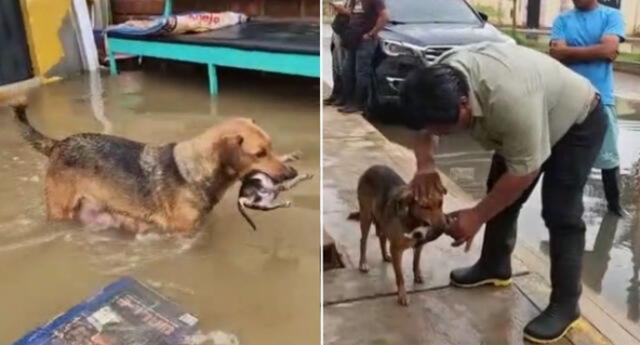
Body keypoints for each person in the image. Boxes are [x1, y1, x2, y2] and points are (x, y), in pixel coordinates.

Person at [401, 42, 607, 343]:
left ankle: (566, 305)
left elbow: (525, 171)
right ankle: (494, 265)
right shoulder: (437, 80)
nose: (442, 136)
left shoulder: (508, 101)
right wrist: (425, 164)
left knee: (561, 212)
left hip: (577, 122)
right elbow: (425, 128)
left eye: (446, 129)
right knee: (497, 190)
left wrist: (476, 216)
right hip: (526, 117)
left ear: (463, 104)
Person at [550, 0, 626, 216]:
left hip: (602, 98)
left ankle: (614, 206)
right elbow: (556, 54)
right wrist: (600, 51)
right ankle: (566, 209)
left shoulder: (612, 16)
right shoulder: (562, 19)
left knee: (608, 157)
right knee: (564, 157)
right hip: (567, 98)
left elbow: (610, 48)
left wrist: (569, 52)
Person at [335, 0, 388, 114]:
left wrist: (371, 34)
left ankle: (359, 104)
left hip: (366, 42)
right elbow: (354, 17)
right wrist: (343, 12)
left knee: (362, 73)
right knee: (347, 71)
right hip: (353, 40)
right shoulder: (355, 1)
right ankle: (349, 101)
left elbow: (384, 16)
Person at [324, 0, 353, 106]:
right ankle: (336, 94)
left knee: (343, 68)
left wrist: (344, 11)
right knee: (336, 67)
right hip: (337, 31)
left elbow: (358, 16)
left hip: (345, 34)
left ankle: (343, 97)